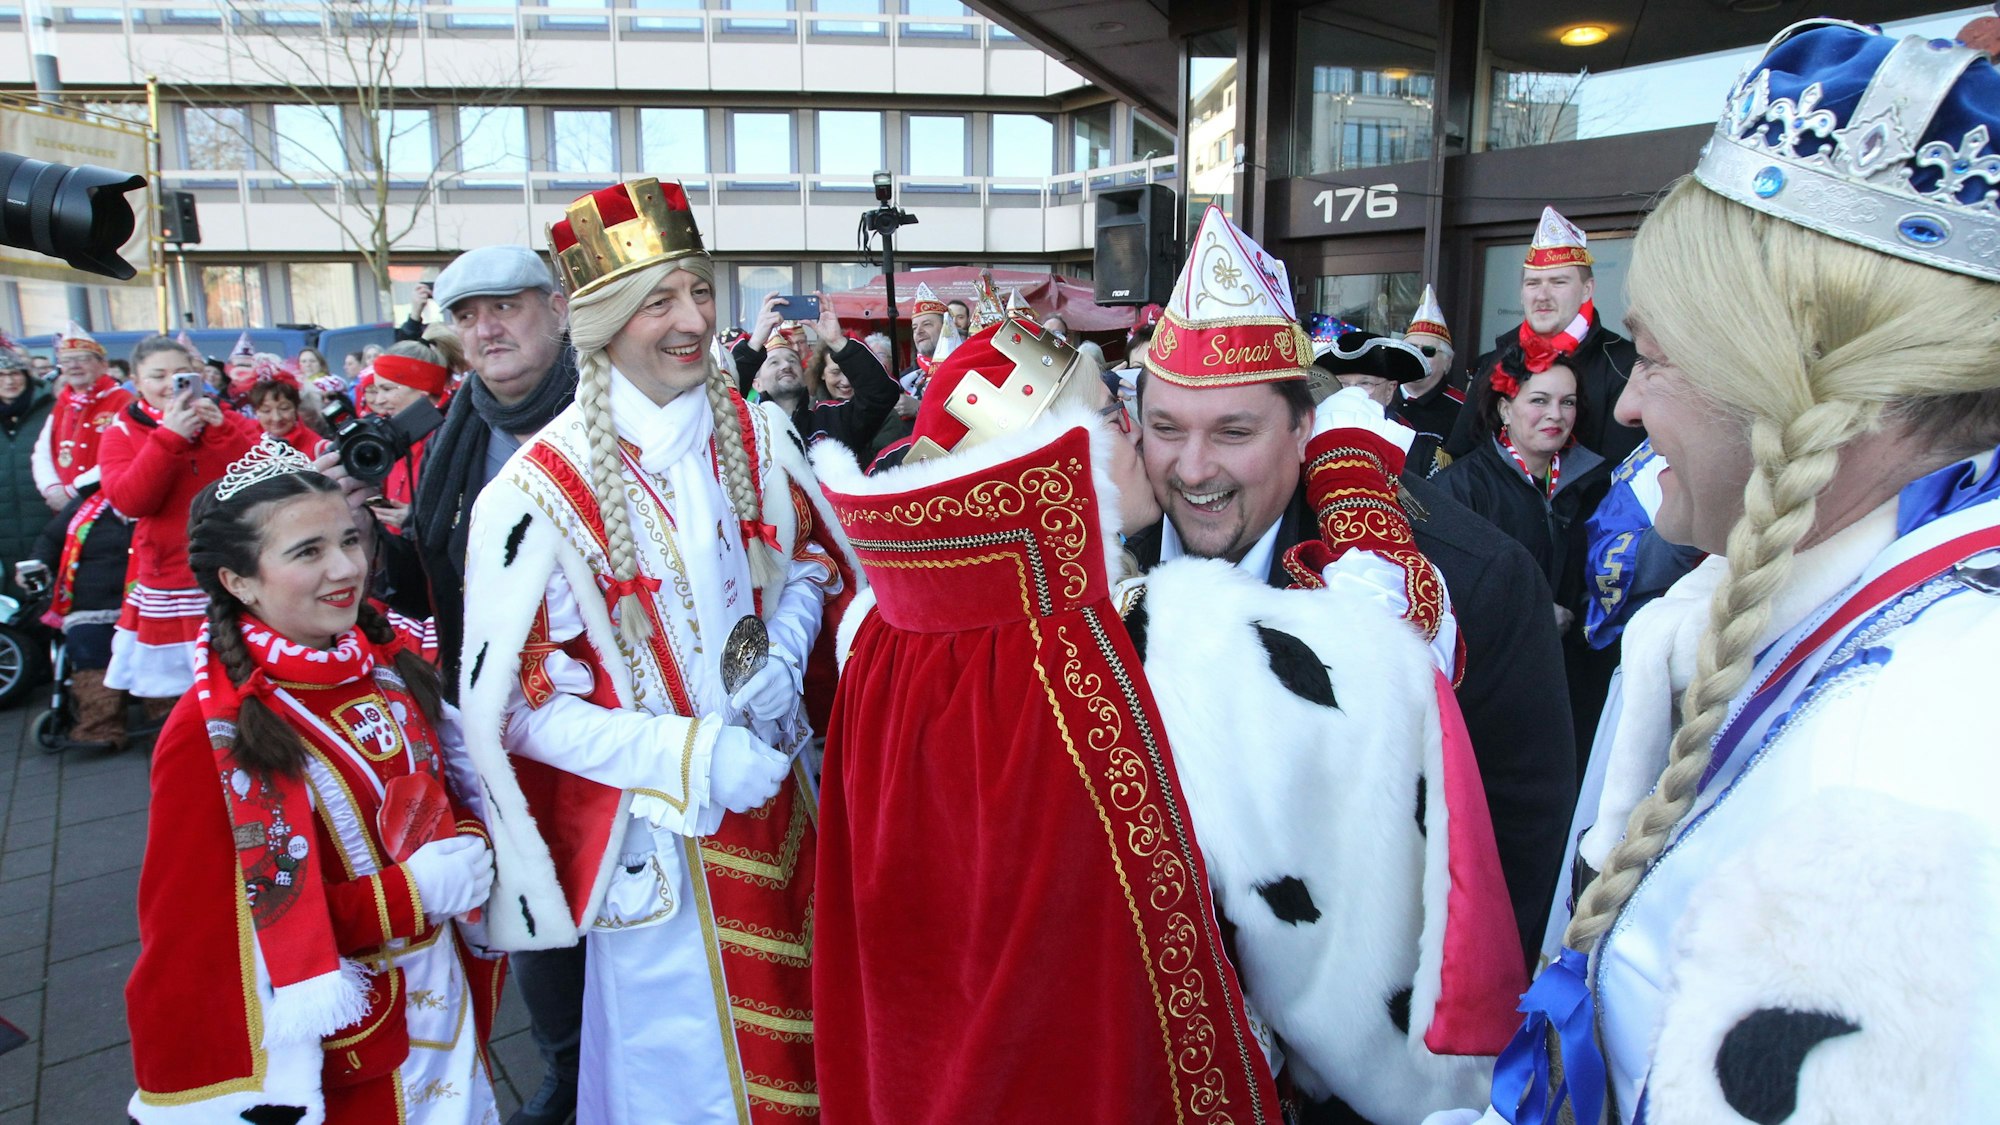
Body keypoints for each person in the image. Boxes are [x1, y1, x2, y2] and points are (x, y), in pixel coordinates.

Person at [1436, 21, 2000, 1125]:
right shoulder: (1807, 624)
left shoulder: (1903, 764)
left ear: (1804, 389)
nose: (1626, 409)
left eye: (1651, 359)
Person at [810, 312, 1280, 1122]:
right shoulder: (1091, 651)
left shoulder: (891, 633)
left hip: (931, 1057)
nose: (1136, 436)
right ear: (1054, 462)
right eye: (1111, 416)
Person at [455, 177, 852, 1124]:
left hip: (791, 809)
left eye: (700, 291)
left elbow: (808, 564)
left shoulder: (755, 428)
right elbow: (519, 708)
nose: (694, 320)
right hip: (664, 853)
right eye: (659, 300)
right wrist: (691, 754)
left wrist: (786, 648)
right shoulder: (535, 492)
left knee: (829, 1056)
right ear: (600, 321)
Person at [1126, 207, 1526, 1122]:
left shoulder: (1466, 583)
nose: (1193, 467)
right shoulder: (1091, 569)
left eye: (1233, 431)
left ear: (1305, 427)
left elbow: (1504, 862)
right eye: (1165, 427)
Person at [125, 443, 503, 1122]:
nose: (347, 568)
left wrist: (469, 844)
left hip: (447, 1009)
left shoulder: (388, 665)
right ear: (238, 581)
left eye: (350, 539)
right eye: (308, 551)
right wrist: (408, 895)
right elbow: (215, 937)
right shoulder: (207, 735)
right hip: (346, 1061)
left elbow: (444, 795)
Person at [341, 243, 579, 1125]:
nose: (487, 329)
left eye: (506, 306)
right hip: (489, 710)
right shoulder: (456, 431)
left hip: (603, 705)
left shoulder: (610, 408)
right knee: (529, 894)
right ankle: (566, 1067)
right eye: (468, 315)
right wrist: (368, 538)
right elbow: (434, 584)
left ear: (558, 309)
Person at [1307, 332, 1577, 964]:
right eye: (1167, 428)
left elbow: (1521, 811)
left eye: (1566, 402)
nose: (1196, 466)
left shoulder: (1476, 556)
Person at [1436, 347, 1613, 763]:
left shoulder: (1598, 483)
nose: (1556, 414)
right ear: (1505, 409)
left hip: (1575, 687)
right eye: (1539, 400)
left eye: (1567, 402)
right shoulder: (1461, 490)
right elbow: (1445, 594)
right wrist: (1530, 612)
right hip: (1497, 695)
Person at [99, 335, 263, 701]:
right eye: (157, 376)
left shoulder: (227, 420)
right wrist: (168, 438)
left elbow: (261, 481)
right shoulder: (120, 432)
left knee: (246, 681)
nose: (170, 385)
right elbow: (131, 501)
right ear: (137, 382)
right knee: (186, 693)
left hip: (236, 567)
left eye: (181, 374)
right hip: (172, 577)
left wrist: (224, 432)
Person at [1445, 208, 1642, 469]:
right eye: (1533, 283)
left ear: (1587, 290)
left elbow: (1622, 473)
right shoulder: (1498, 358)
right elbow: (1462, 453)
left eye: (1558, 282)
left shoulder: (1623, 364)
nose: (1542, 295)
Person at [31, 321, 132, 512]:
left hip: (109, 506)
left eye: (83, 359)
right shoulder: (62, 404)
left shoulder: (123, 401)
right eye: (67, 361)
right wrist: (52, 488)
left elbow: (123, 455)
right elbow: (42, 451)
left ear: (103, 365)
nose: (74, 366)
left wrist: (73, 491)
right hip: (66, 507)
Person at [371, 342, 454, 514]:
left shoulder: (449, 441)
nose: (379, 400)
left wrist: (416, 519)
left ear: (422, 390)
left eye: (387, 389)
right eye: (376, 390)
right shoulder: (395, 437)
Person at [0, 341, 55, 589]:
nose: (9, 381)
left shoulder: (51, 409)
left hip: (46, 525)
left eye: (15, 373)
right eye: (1, 376)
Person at [1399, 284, 1463, 478]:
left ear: (1447, 361)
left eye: (1428, 351)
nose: (1417, 355)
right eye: (1411, 348)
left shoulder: (1462, 409)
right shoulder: (1379, 393)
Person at [249, 377, 322, 456]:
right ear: (256, 412)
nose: (276, 418)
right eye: (266, 410)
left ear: (295, 408)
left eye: (284, 408)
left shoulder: (316, 446)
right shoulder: (247, 435)